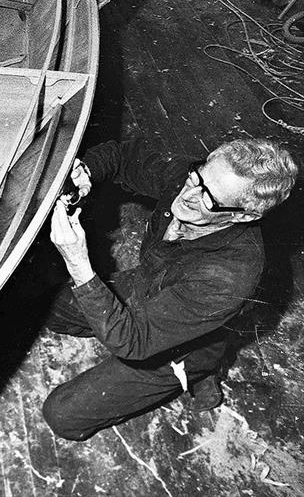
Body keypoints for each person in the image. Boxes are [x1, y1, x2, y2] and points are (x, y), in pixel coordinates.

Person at [43, 138, 298, 441]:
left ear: (243, 215)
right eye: (196, 177)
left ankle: (201, 371)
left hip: (182, 348)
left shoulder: (230, 277)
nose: (187, 195)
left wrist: (79, 264)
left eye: (209, 200)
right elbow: (125, 155)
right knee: (47, 310)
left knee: (62, 416)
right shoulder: (199, 181)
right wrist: (87, 172)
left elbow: (132, 342)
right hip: (150, 287)